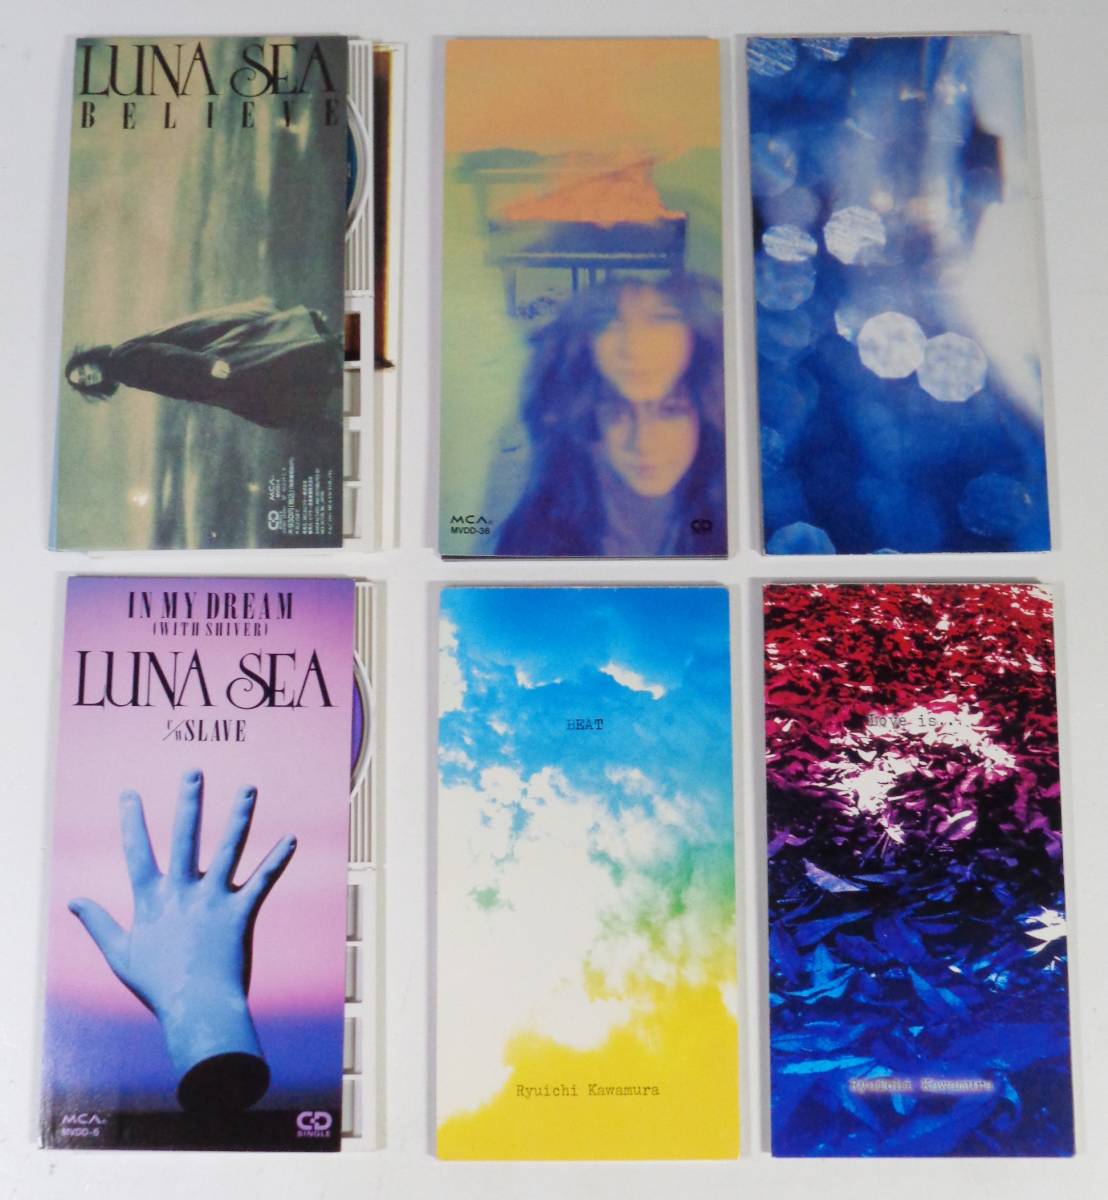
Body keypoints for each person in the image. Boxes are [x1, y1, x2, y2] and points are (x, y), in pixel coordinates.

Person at [495, 274, 726, 556]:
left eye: (670, 411)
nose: (643, 442)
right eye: (617, 413)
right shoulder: (542, 528)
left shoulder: (741, 510)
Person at [64, 296, 342, 433]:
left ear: (89, 360)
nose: (88, 376)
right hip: (206, 379)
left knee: (272, 376)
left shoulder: (122, 362)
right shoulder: (120, 367)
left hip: (208, 369)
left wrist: (206, 364)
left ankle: (335, 355)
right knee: (272, 376)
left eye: (84, 370)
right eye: (85, 381)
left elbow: (163, 355)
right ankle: (332, 360)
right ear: (94, 387)